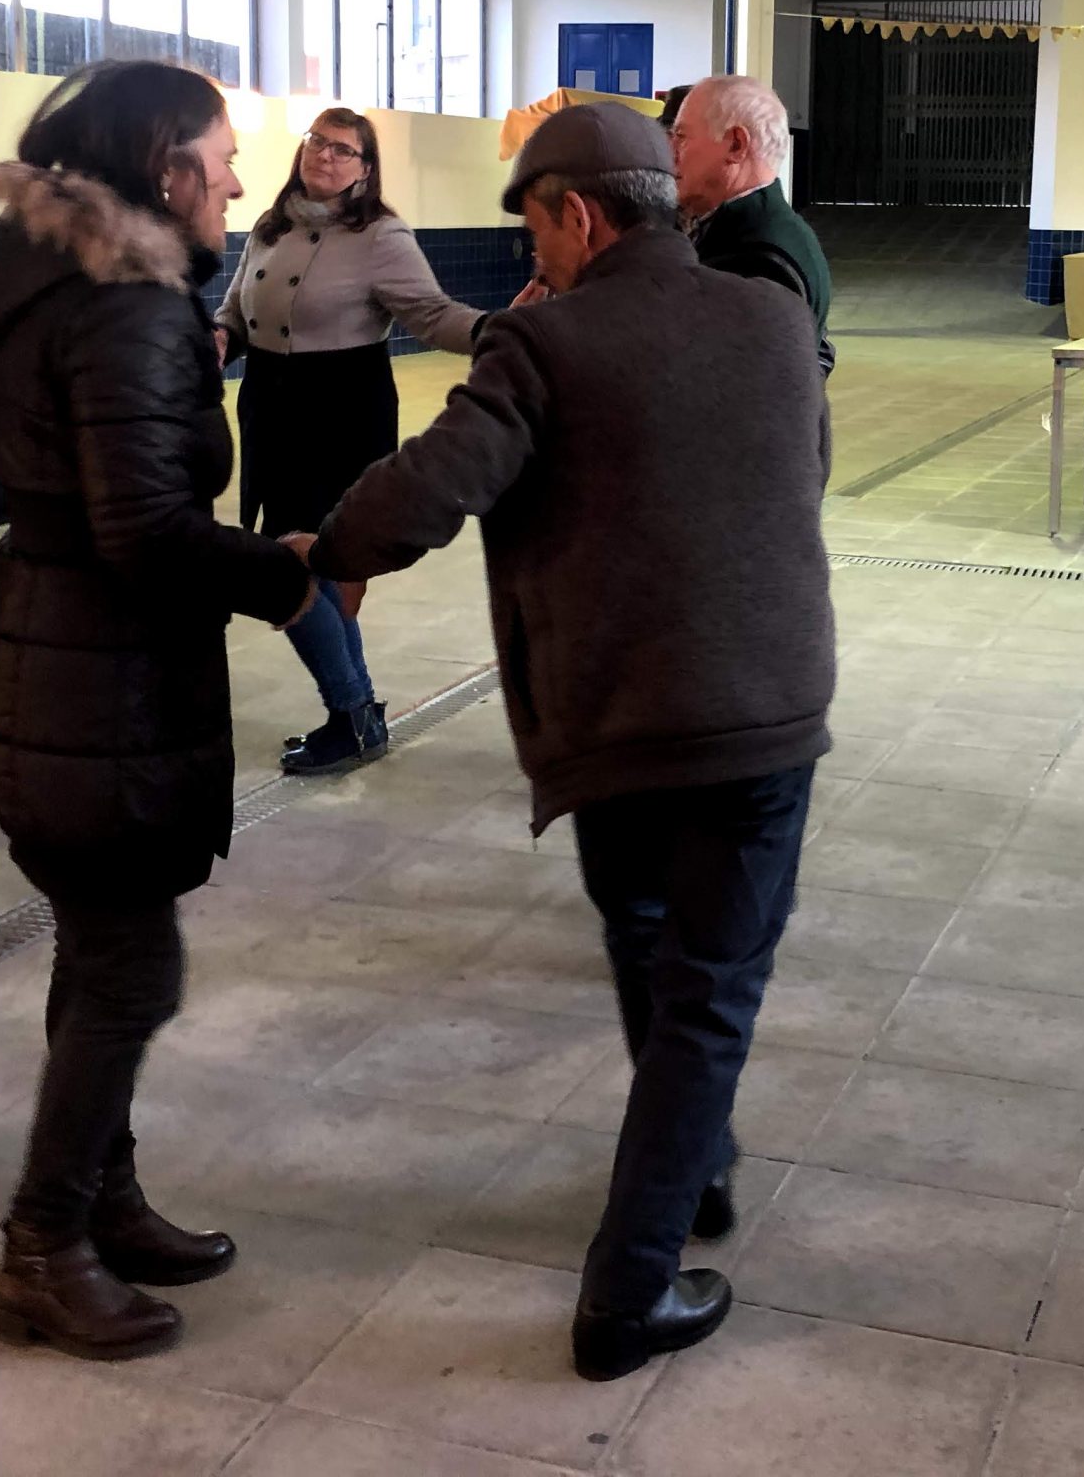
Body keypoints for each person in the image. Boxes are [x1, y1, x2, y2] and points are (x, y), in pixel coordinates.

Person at [300, 102, 834, 1381]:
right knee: (707, 993)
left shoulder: (541, 344)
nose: (530, 253)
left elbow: (425, 493)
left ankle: (625, 1295)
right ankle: (690, 1170)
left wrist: (321, 551)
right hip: (762, 716)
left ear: (578, 217)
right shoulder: (774, 318)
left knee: (660, 959)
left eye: (534, 227)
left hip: (617, 723)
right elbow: (802, 468)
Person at [0, 62, 315, 1361]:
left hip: (36, 648)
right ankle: (42, 1252)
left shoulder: (28, 268)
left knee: (100, 949)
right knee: (130, 970)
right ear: (165, 168)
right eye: (223, 156)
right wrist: (283, 574)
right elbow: (145, 531)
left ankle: (103, 1200)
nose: (237, 182)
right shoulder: (130, 305)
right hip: (96, 677)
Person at [217, 108, 486, 777]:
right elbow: (235, 312)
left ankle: (352, 712)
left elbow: (431, 314)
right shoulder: (272, 225)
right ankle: (357, 713)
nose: (326, 155)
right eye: (318, 142)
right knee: (304, 563)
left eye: (343, 150)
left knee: (308, 561)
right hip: (271, 406)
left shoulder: (381, 235)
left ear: (365, 169)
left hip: (340, 411)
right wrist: (216, 339)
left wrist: (501, 333)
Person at [667, 74, 836, 376]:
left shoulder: (757, 257)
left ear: (736, 145)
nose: (670, 152)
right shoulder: (759, 230)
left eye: (681, 136)